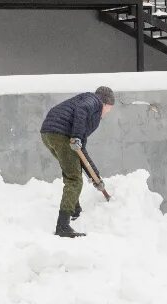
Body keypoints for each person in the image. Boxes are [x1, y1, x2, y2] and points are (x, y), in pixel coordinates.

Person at [40, 86, 114, 238]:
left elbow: (81, 153)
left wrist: (95, 177)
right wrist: (76, 137)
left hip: (49, 133)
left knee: (72, 171)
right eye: (110, 108)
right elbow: (82, 109)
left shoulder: (87, 110)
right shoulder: (94, 101)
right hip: (61, 134)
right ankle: (63, 226)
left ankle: (75, 210)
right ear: (107, 103)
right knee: (74, 179)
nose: (108, 112)